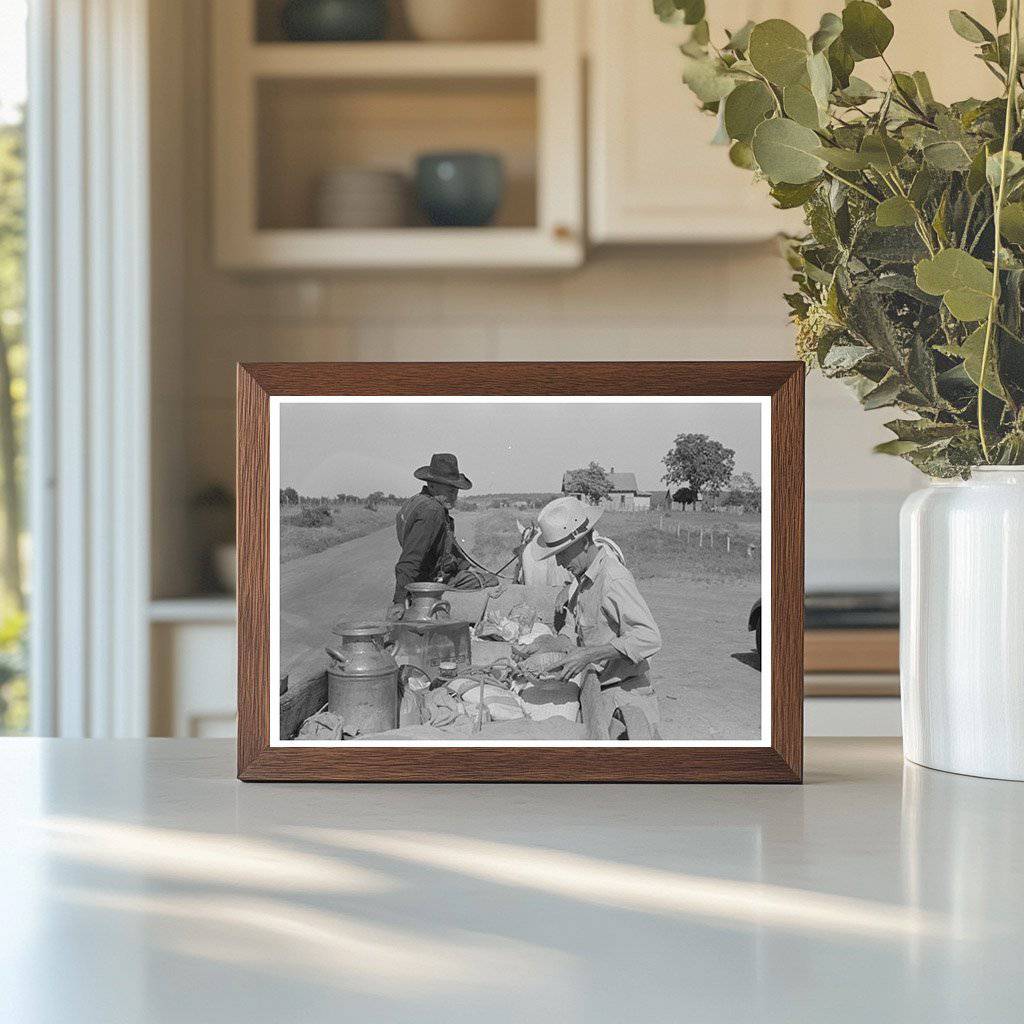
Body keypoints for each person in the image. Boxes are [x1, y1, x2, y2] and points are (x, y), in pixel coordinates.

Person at [534, 495, 662, 734]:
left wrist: (588, 655)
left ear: (583, 542)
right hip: (597, 690)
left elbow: (649, 637)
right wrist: (545, 646)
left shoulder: (613, 579)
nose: (559, 563)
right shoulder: (583, 579)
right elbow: (574, 630)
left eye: (563, 553)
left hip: (626, 696)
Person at [387, 453, 474, 622]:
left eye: (456, 490)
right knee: (491, 582)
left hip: (425, 580)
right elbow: (410, 559)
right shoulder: (432, 512)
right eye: (449, 490)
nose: (454, 496)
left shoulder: (419, 502)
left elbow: (445, 545)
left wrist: (466, 567)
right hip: (430, 584)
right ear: (432, 486)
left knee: (474, 575)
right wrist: (398, 601)